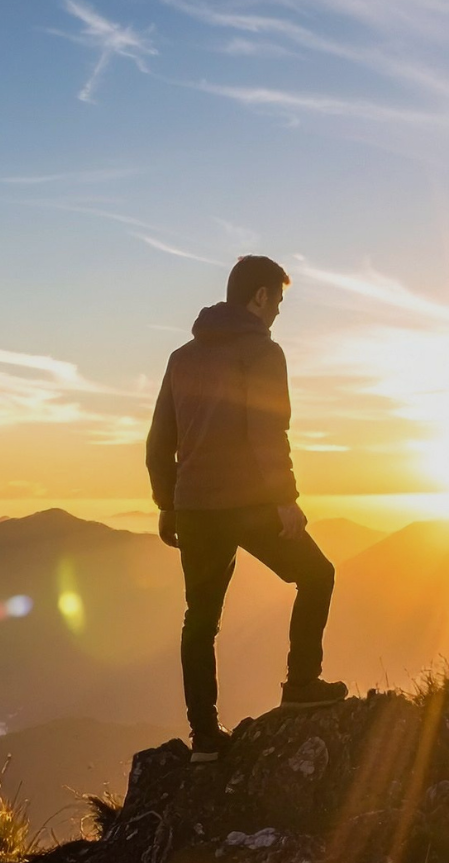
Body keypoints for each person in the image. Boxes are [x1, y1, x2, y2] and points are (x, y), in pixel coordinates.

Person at [146, 255, 347, 762]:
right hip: (252, 503)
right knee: (318, 575)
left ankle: (204, 739)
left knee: (200, 620)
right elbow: (267, 432)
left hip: (194, 509)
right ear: (259, 297)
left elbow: (159, 442)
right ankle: (301, 683)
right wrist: (286, 500)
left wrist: (168, 505)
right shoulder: (263, 352)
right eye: (277, 301)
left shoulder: (181, 356)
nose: (278, 312)